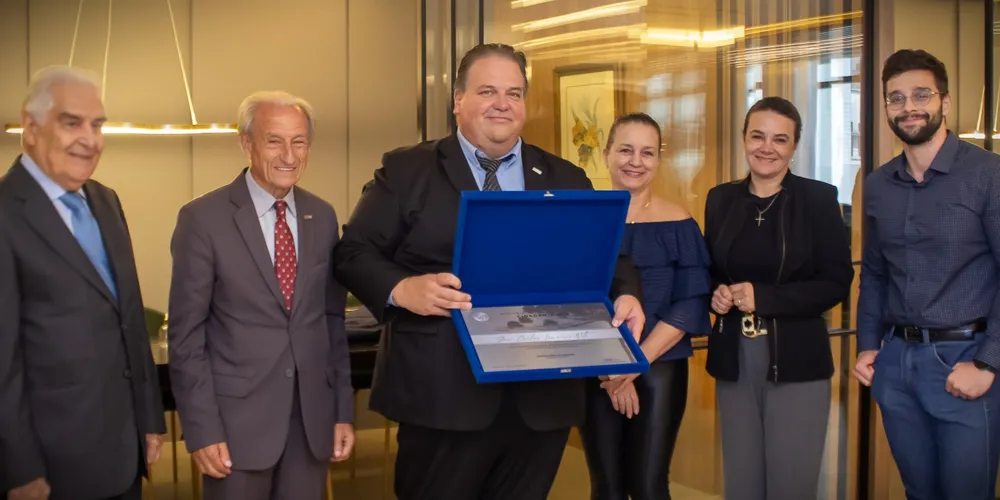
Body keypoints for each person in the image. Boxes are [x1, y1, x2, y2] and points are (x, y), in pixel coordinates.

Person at [333, 43, 645, 500]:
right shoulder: (406, 170)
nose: (502, 103)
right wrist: (402, 288)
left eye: (514, 93)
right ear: (458, 100)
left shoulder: (566, 177)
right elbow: (353, 252)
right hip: (443, 394)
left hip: (541, 397)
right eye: (487, 91)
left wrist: (627, 293)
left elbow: (610, 258)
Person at [167, 91, 354, 500]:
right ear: (246, 142)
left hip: (311, 424)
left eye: (299, 141)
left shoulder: (322, 216)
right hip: (235, 428)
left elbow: (331, 321)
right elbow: (186, 338)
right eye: (274, 141)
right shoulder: (202, 220)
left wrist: (342, 410)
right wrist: (202, 429)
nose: (289, 155)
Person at [0, 65, 166, 500]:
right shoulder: (5, 212)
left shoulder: (106, 201)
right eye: (71, 122)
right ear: (30, 128)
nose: (89, 139)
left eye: (97, 125)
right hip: (49, 467)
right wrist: (18, 470)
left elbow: (129, 318)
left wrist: (149, 418)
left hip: (123, 453)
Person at [853, 49, 1000, 500]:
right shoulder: (877, 184)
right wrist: (868, 346)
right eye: (896, 98)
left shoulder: (988, 174)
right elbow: (875, 274)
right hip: (897, 364)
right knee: (918, 492)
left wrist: (988, 363)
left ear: (945, 102)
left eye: (921, 95)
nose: (908, 107)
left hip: (966, 360)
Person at [704, 96, 853, 500]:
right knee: (742, 486)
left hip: (797, 360)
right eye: (758, 136)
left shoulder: (819, 199)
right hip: (734, 360)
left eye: (780, 139)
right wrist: (717, 293)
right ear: (744, 138)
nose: (766, 147)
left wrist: (763, 298)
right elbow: (710, 269)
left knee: (791, 485)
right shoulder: (720, 199)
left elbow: (836, 282)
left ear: (794, 146)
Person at [579, 112, 713, 500]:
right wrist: (612, 370)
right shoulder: (584, 219)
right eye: (625, 150)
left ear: (658, 159)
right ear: (606, 153)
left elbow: (691, 303)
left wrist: (633, 366)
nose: (635, 161)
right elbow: (572, 297)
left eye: (647, 152)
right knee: (606, 487)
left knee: (649, 486)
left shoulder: (680, 222)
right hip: (596, 369)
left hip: (661, 364)